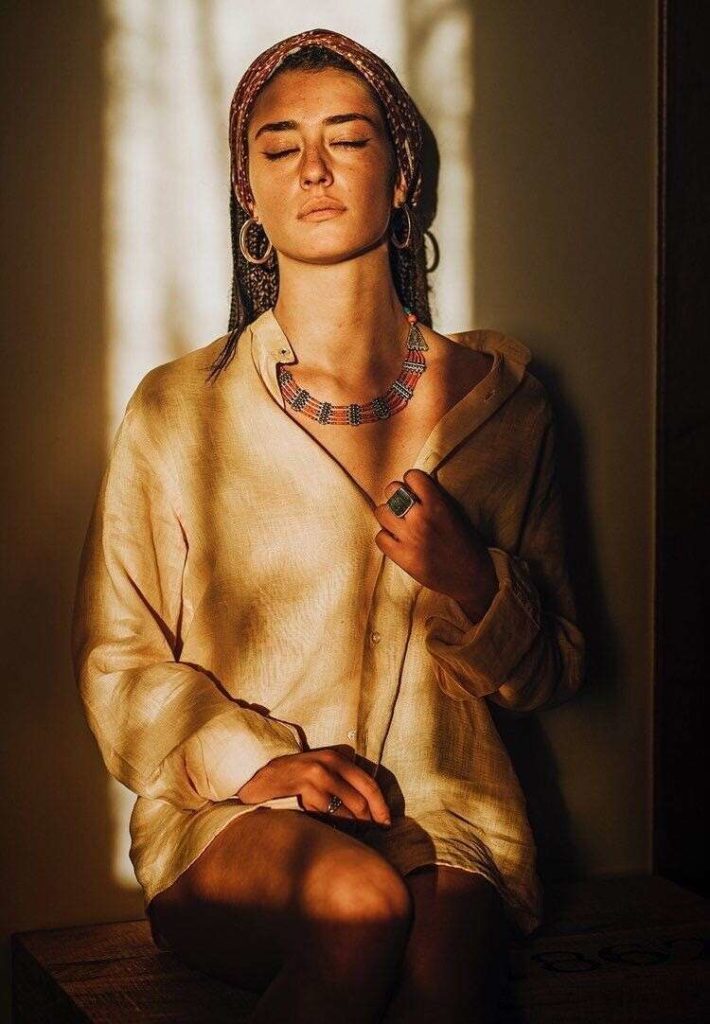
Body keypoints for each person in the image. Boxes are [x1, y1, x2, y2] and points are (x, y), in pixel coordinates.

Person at [70, 27, 585, 1024]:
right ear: (248, 194)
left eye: (347, 139)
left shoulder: (506, 408)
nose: (313, 168)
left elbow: (554, 669)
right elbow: (116, 659)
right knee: (354, 907)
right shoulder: (179, 410)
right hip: (233, 812)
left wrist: (474, 580)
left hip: (445, 809)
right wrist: (254, 758)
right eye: (280, 147)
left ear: (401, 177)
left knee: (442, 980)